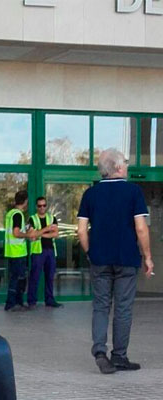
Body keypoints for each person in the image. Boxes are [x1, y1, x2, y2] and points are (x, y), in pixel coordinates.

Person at [77, 148, 154, 374]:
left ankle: (100, 351)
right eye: (126, 165)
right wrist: (148, 256)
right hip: (126, 260)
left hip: (100, 260)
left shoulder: (90, 194)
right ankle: (119, 356)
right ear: (119, 167)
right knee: (123, 308)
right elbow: (141, 227)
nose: (127, 168)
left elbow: (81, 231)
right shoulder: (133, 192)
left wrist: (91, 252)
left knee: (101, 306)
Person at [3, 190, 37, 312]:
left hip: (11, 251)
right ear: (25, 201)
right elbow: (16, 233)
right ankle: (13, 303)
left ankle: (15, 302)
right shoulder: (18, 214)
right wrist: (28, 235)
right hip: (17, 252)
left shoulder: (10, 213)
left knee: (15, 277)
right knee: (18, 278)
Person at [27, 196, 63, 309]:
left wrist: (40, 233)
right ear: (36, 207)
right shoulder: (32, 219)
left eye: (44, 205)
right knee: (34, 277)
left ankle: (50, 300)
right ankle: (31, 301)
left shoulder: (52, 218)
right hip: (38, 251)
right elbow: (31, 235)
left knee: (50, 276)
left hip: (50, 250)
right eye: (39, 206)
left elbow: (56, 234)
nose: (42, 208)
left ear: (46, 206)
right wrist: (47, 229)